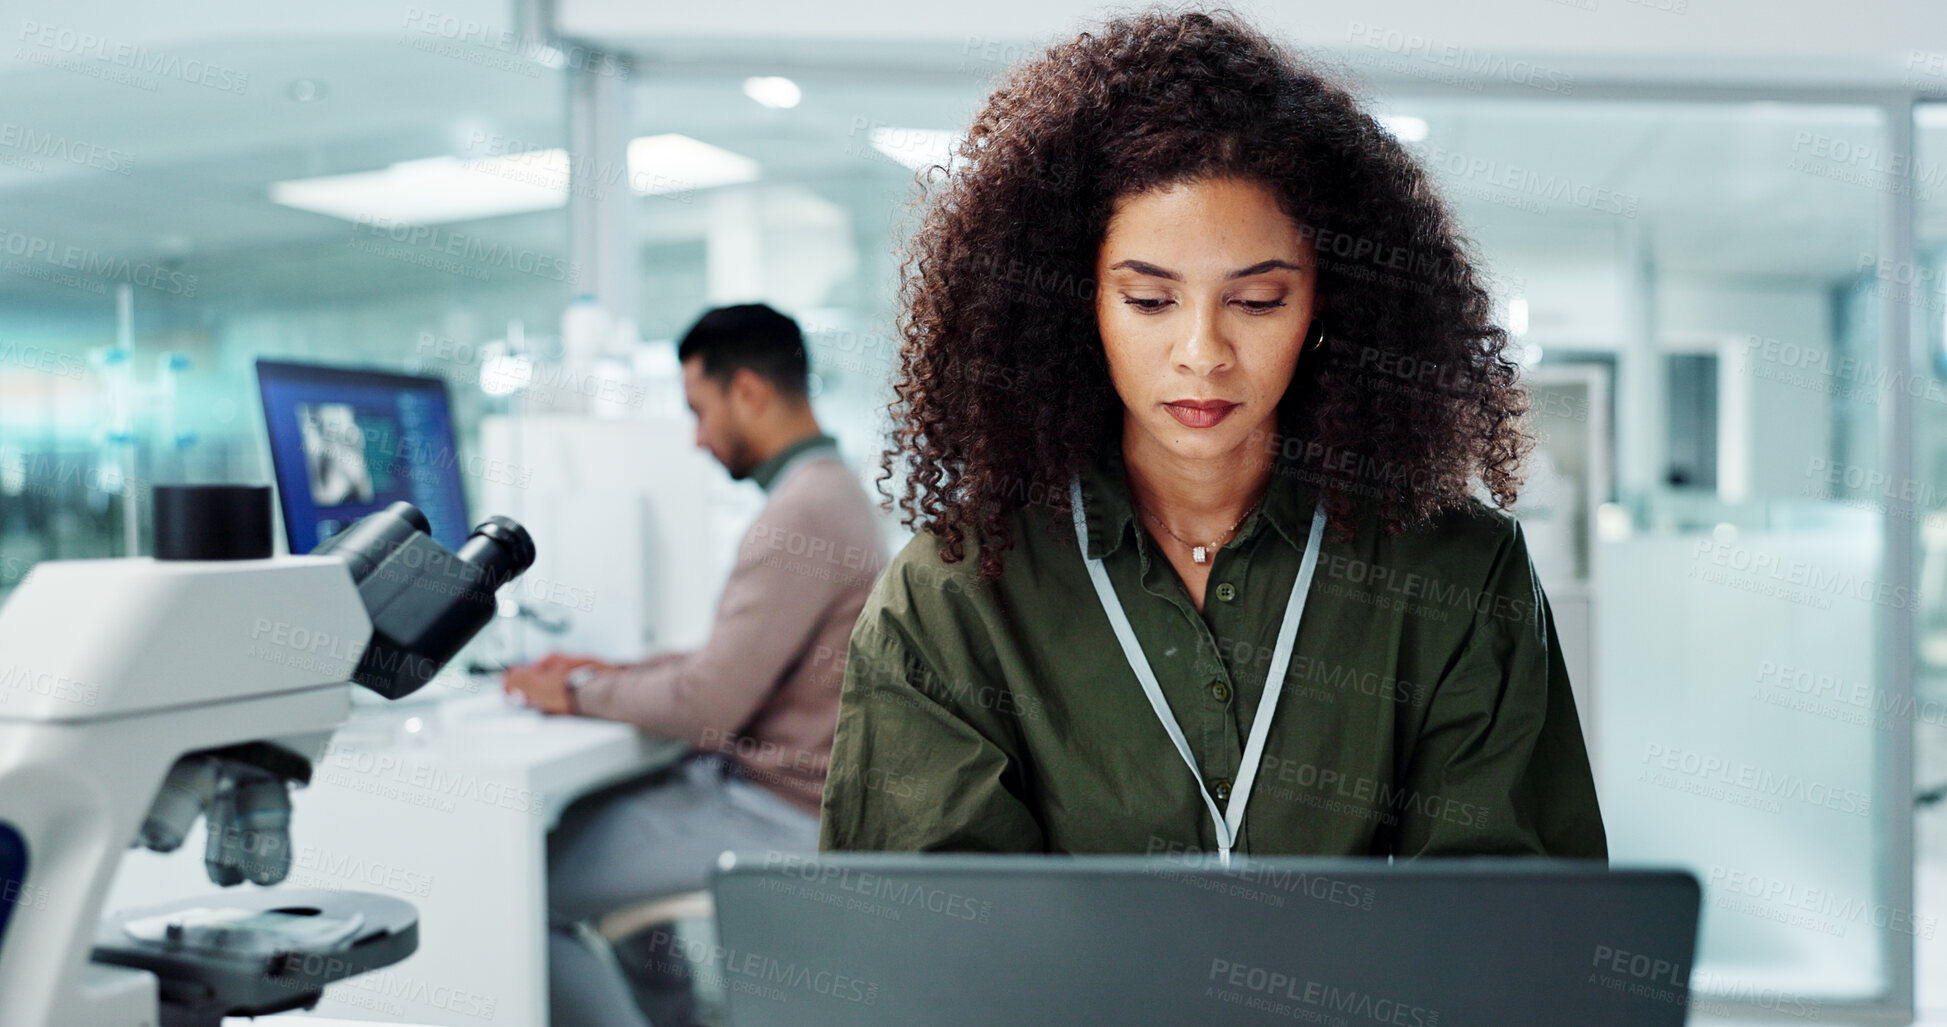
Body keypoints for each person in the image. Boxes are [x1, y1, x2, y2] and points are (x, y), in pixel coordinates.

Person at [819, 9, 1606, 861]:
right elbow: (931, 957)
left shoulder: (1453, 570)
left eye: (1256, 300)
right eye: (1149, 300)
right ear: (1071, 304)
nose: (1202, 355)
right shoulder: (956, 593)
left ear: (1325, 307)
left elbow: (1508, 948)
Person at [505, 303, 886, 1026]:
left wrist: (577, 690)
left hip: (776, 812)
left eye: (699, 410)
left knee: (523, 888)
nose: (698, 438)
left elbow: (707, 704)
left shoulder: (800, 513)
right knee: (595, 829)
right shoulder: (828, 491)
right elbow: (740, 658)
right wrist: (612, 668)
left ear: (748, 391)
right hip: (792, 797)